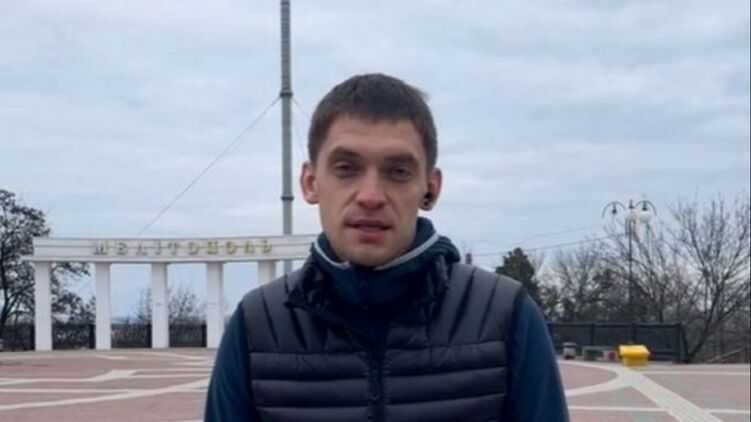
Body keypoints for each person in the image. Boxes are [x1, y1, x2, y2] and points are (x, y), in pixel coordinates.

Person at [204, 73, 569, 421]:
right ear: (311, 182)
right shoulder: (255, 326)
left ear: (430, 188)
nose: (370, 195)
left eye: (398, 171)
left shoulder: (507, 316)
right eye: (346, 168)